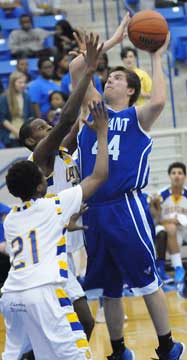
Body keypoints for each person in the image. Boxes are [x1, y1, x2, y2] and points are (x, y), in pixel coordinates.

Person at [70, 16, 185, 360]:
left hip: (125, 208)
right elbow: (79, 67)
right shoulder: (92, 109)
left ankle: (166, 347)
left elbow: (161, 101)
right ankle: (118, 350)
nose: (110, 80)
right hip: (93, 209)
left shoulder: (138, 117)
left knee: (147, 279)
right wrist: (114, 40)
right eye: (108, 76)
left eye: (118, 78)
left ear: (131, 90)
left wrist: (155, 55)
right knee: (109, 288)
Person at [1, 98, 109, 359]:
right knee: (80, 331)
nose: (47, 126)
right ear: (41, 184)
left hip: (14, 291)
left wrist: (64, 225)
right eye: (40, 126)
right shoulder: (53, 201)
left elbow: (70, 130)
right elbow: (98, 174)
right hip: (46, 280)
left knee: (25, 351)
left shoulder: (12, 218)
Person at [19, 33, 104, 343]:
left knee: (73, 324)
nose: (48, 128)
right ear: (31, 140)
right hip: (48, 246)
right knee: (79, 321)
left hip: (66, 239)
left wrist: (81, 64)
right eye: (41, 128)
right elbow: (68, 116)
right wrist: (87, 70)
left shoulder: (62, 150)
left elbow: (80, 116)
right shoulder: (40, 156)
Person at [155, 162, 187, 284]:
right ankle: (178, 267)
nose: (176, 176)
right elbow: (156, 220)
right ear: (169, 176)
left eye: (180, 173)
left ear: (185, 176)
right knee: (170, 227)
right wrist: (170, 220)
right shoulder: (160, 196)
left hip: (184, 229)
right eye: (173, 173)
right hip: (166, 230)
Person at [0, 71, 33, 148]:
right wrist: (17, 132)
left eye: (24, 82)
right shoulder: (4, 98)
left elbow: (31, 116)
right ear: (12, 83)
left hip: (25, 133)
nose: (23, 85)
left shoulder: (27, 97)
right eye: (20, 82)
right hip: (11, 134)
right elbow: (2, 119)